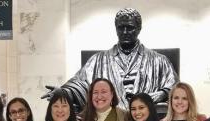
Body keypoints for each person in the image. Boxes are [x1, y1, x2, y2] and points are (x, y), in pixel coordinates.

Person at [42, 8, 177, 110]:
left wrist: (160, 94)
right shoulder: (98, 60)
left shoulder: (159, 61)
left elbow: (176, 87)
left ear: (139, 29)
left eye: (129, 28)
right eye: (121, 27)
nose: (124, 32)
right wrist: (64, 93)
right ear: (116, 29)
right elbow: (80, 84)